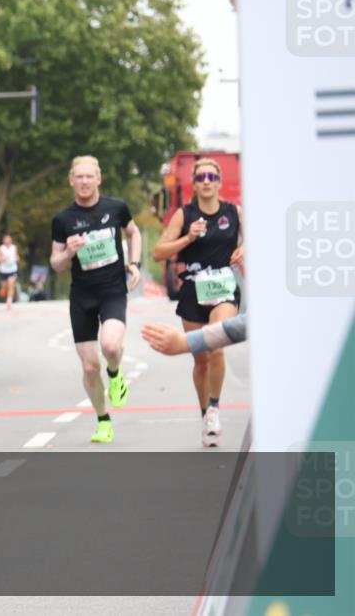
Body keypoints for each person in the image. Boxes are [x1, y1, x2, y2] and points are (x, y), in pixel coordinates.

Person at [151, 157, 243, 447]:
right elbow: (158, 253)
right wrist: (187, 239)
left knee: (215, 346)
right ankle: (205, 414)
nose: (206, 181)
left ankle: (214, 409)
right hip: (193, 291)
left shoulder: (234, 212)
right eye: (201, 176)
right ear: (194, 182)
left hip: (225, 288)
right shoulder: (184, 215)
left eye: (211, 177)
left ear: (218, 182)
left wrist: (246, 249)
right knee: (201, 358)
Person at [50, 155, 141, 444]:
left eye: (90, 176)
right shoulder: (63, 220)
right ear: (71, 180)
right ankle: (103, 421)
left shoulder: (116, 208)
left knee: (111, 345)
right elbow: (56, 263)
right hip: (82, 296)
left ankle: (115, 375)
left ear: (99, 179)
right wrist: (68, 253)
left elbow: (133, 232)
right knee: (90, 366)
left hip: (112, 290)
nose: (85, 181)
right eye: (79, 176)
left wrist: (134, 262)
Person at [142, 314, 247, 357]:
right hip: (192, 292)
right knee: (201, 361)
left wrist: (185, 342)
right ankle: (205, 403)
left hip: (223, 292)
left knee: (216, 353)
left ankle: (214, 403)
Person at [0, 234, 20, 310]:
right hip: (3, 270)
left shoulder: (14, 247)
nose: (8, 241)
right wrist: (2, 259)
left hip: (13, 270)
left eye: (9, 239)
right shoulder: (1, 248)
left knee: (11, 284)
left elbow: (17, 256)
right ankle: (3, 289)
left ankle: (9, 302)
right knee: (5, 287)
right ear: (4, 241)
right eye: (6, 239)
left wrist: (17, 258)